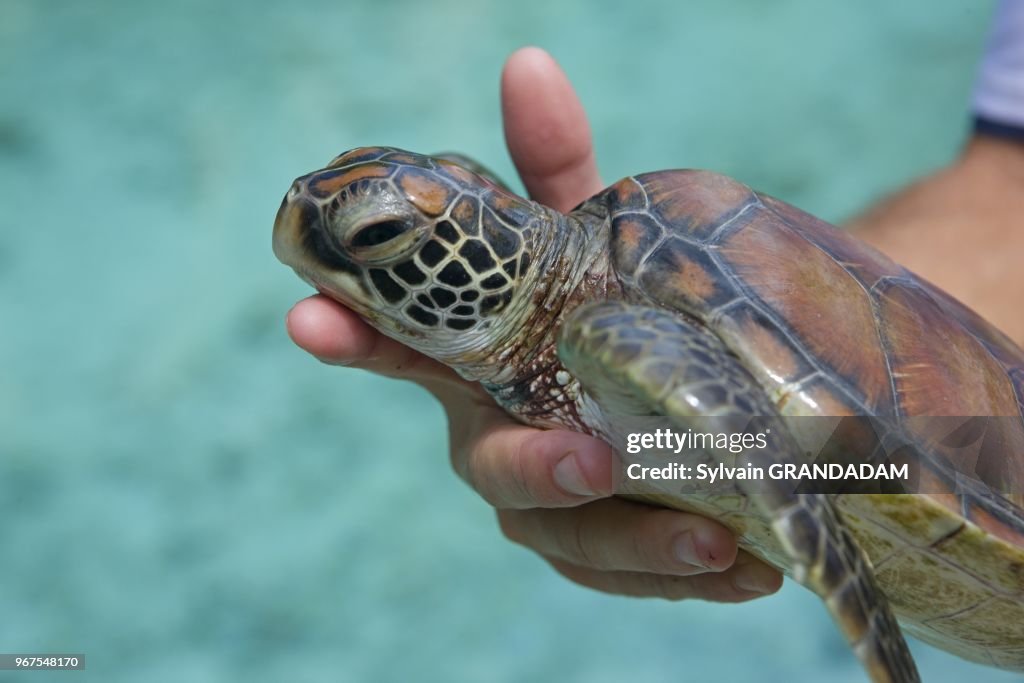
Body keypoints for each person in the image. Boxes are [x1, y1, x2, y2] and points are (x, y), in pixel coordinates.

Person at [284, 4, 1024, 604]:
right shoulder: (611, 326)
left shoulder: (607, 328)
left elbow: (816, 453)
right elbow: (1002, 188)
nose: (302, 222)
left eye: (377, 235)